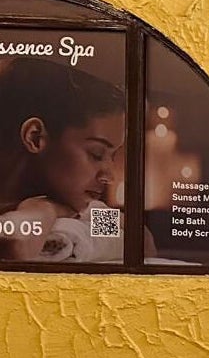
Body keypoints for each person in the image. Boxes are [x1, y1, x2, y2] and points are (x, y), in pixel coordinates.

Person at [0, 57, 126, 263]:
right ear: (35, 137)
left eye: (112, 157)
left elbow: (143, 241)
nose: (109, 176)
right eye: (96, 153)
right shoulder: (46, 208)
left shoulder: (75, 207)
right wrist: (44, 209)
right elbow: (15, 243)